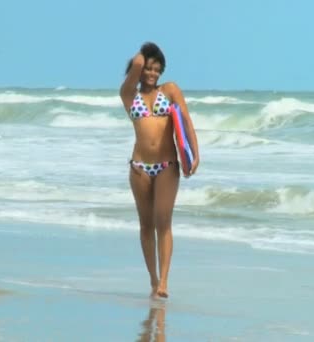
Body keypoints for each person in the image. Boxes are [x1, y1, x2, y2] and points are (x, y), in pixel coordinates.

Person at [119, 42, 199, 298]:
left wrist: (195, 154)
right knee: (146, 226)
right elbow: (139, 62)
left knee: (163, 223)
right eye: (148, 69)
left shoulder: (171, 89)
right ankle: (152, 279)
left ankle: (164, 282)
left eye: (157, 69)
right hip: (139, 167)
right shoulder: (129, 94)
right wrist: (145, 51)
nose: (152, 73)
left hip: (168, 165)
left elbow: (186, 120)